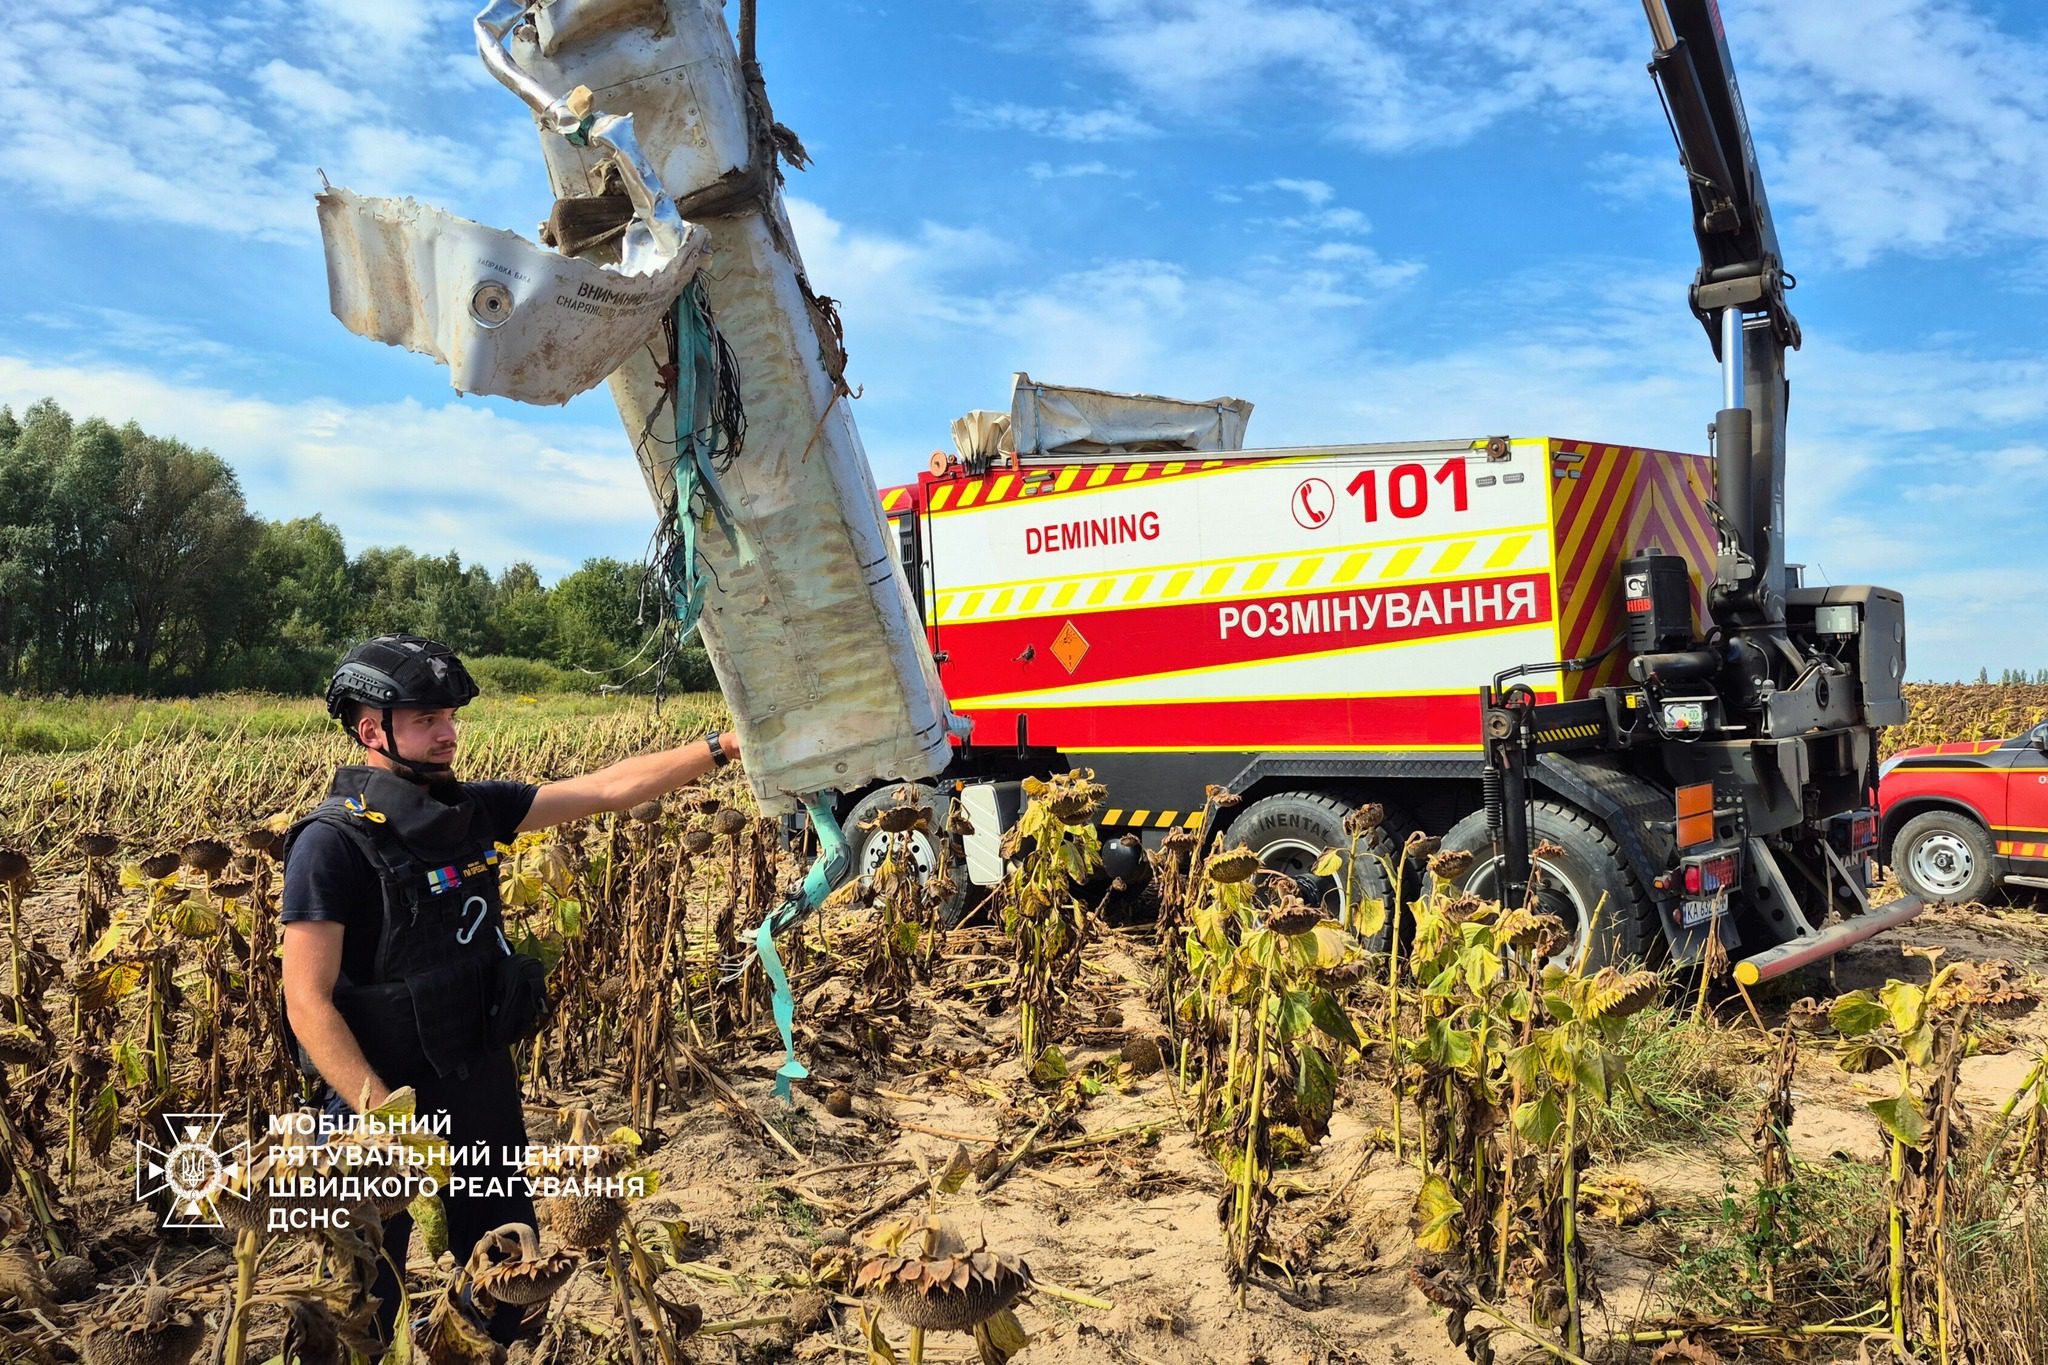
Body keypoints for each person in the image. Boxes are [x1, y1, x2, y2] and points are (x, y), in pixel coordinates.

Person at [279, 633, 739, 1347]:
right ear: (372, 731)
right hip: (379, 1099)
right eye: (426, 719)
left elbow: (608, 788)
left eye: (449, 716)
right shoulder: (330, 843)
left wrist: (723, 747)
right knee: (362, 1296)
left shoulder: (474, 811)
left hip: (479, 1081)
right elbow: (306, 999)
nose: (448, 733)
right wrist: (383, 1117)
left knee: (506, 1269)